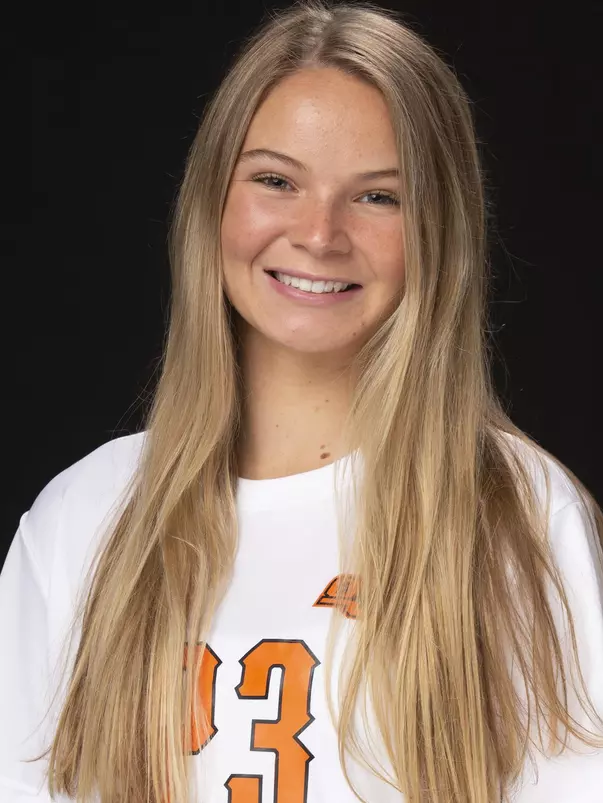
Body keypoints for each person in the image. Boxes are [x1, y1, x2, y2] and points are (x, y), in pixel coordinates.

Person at [1, 1, 602, 801]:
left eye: (377, 196)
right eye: (276, 180)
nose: (319, 234)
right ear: (212, 197)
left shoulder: (514, 513)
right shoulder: (83, 516)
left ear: (439, 229)